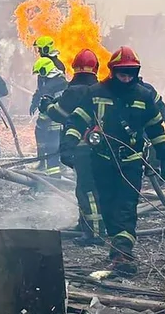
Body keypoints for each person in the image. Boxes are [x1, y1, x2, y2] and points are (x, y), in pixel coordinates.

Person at [61, 46, 165, 275]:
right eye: (122, 72)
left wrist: (164, 156)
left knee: (126, 208)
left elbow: (155, 128)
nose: (127, 77)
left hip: (131, 162)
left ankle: (123, 254)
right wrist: (68, 144)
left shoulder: (143, 96)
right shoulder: (96, 92)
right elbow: (77, 120)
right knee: (108, 208)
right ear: (112, 70)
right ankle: (117, 250)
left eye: (131, 72)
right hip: (101, 161)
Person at [40, 49, 105, 245]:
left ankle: (94, 234)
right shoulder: (101, 89)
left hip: (81, 146)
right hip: (101, 147)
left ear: (74, 68)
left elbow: (60, 113)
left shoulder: (74, 90)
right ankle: (84, 224)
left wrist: (47, 106)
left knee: (87, 189)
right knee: (90, 187)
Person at [30, 56, 68, 177]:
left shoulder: (51, 85)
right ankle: (50, 166)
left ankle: (54, 177)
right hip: (61, 121)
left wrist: (41, 122)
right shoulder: (60, 81)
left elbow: (46, 107)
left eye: (40, 72)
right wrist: (34, 103)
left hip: (53, 122)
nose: (40, 76)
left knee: (51, 148)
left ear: (45, 70)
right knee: (55, 148)